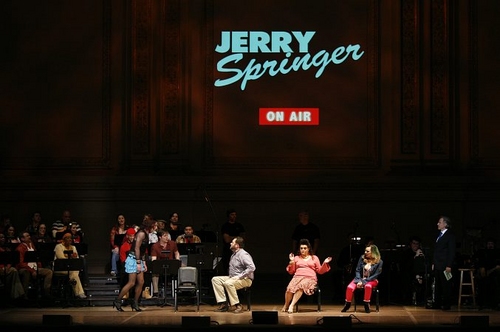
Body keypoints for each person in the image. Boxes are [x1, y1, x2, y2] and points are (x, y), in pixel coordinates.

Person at [113, 217, 154, 312]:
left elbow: (143, 250)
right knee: (131, 282)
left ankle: (135, 302)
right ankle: (118, 300)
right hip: (133, 259)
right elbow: (137, 248)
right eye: (153, 226)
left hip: (139, 259)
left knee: (141, 282)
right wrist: (138, 262)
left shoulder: (147, 234)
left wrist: (144, 262)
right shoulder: (141, 233)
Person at [282, 239, 332, 313]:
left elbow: (320, 271)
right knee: (289, 289)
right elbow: (291, 271)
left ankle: (291, 305)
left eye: (305, 248)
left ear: (308, 249)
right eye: (301, 248)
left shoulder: (314, 258)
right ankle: (286, 305)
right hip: (297, 277)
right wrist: (292, 262)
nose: (303, 250)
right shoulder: (296, 258)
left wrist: (325, 263)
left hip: (310, 278)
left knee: (301, 287)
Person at [212, 236, 255, 313]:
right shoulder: (234, 254)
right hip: (233, 277)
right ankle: (224, 303)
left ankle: (238, 305)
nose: (230, 243)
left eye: (232, 242)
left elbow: (252, 267)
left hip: (245, 279)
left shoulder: (243, 254)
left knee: (228, 283)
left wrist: (239, 276)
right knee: (215, 279)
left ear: (237, 245)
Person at [341, 244, 383, 313]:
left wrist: (364, 281)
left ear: (373, 252)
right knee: (349, 287)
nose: (365, 252)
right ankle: (348, 304)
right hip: (359, 278)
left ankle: (366, 304)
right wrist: (359, 280)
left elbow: (376, 275)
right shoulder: (362, 258)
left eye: (367, 251)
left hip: (371, 280)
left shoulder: (379, 262)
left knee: (368, 286)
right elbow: (357, 270)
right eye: (365, 251)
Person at [15, 231, 53, 299]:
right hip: (25, 268)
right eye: (27, 236)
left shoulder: (32, 245)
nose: (29, 237)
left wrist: (39, 267)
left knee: (49, 272)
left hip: (34, 267)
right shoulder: (20, 248)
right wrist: (32, 271)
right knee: (26, 273)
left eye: (29, 235)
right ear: (22, 239)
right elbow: (21, 263)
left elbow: (37, 257)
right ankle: (24, 296)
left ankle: (46, 293)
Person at [430, 215, 456, 311]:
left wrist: (449, 265)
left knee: (446, 285)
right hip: (437, 264)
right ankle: (437, 303)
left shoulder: (450, 236)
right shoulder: (439, 235)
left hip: (445, 265)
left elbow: (451, 251)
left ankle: (446, 304)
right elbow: (436, 250)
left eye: (440, 222)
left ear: (445, 224)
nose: (438, 224)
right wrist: (433, 262)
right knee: (438, 285)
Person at [53, 232, 87, 299]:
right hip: (60, 269)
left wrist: (73, 258)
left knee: (74, 272)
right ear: (64, 239)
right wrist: (71, 257)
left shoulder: (73, 247)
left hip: (71, 269)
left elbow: (76, 259)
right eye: (68, 238)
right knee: (74, 273)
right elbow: (61, 258)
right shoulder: (58, 247)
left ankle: (72, 281)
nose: (70, 240)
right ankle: (79, 292)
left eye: (70, 238)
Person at [150, 230, 180, 297]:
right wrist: (155, 263)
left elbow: (176, 253)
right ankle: (155, 292)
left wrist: (177, 260)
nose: (167, 237)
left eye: (167, 235)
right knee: (154, 272)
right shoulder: (155, 246)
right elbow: (154, 258)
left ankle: (182, 289)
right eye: (165, 236)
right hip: (160, 265)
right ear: (160, 237)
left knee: (184, 268)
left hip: (171, 264)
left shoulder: (173, 243)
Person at [399, 235, 427, 305]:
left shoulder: (422, 252)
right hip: (409, 273)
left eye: (417, 244)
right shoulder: (406, 253)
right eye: (413, 243)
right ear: (411, 244)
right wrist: (415, 257)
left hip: (420, 273)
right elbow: (405, 266)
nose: (415, 245)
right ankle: (408, 299)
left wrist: (423, 257)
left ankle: (422, 300)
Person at [473, 237, 500, 310]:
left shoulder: (497, 252)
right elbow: (479, 262)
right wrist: (481, 268)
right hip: (484, 273)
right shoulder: (482, 252)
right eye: (489, 244)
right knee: (482, 282)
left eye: (491, 244)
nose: (490, 245)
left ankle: (494, 304)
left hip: (494, 273)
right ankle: (482, 303)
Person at [0, 234, 26, 301]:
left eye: (3, 237)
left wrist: (7, 267)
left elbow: (10, 260)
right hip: (1, 268)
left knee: (13, 270)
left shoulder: (7, 248)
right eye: (0, 237)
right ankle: (19, 295)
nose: (2, 239)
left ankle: (17, 296)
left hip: (6, 268)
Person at [220, 209, 246, 274]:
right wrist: (236, 237)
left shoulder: (239, 226)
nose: (234, 216)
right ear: (228, 216)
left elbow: (242, 238)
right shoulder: (225, 226)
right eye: (232, 215)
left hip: (238, 250)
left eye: (235, 215)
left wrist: (231, 237)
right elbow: (227, 240)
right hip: (228, 250)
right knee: (227, 266)